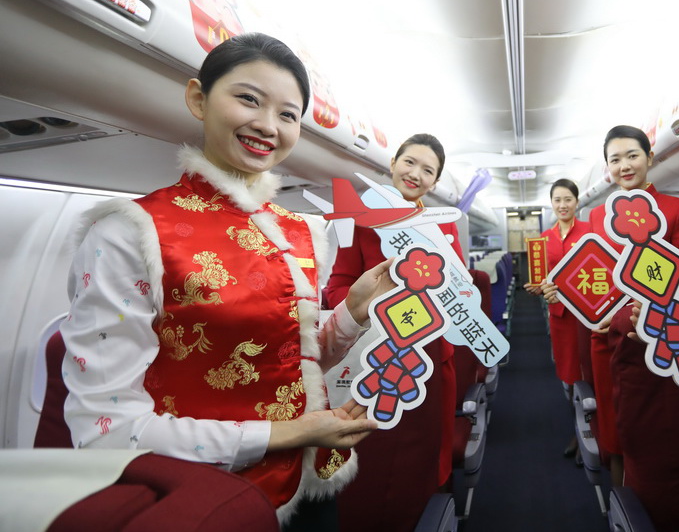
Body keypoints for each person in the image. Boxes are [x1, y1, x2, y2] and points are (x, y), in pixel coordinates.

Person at [60, 33, 396, 529]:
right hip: (208, 500)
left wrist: (354, 310)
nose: (268, 125)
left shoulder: (302, 232)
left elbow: (286, 360)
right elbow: (106, 430)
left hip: (311, 483)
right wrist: (288, 433)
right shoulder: (133, 231)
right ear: (199, 98)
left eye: (288, 115)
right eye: (249, 99)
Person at [548, 125, 679, 487]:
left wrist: (644, 308)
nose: (624, 166)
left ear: (649, 157)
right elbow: (593, 273)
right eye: (615, 159)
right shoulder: (598, 216)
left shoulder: (676, 209)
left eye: (632, 155)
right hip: (604, 335)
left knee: (651, 423)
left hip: (652, 335)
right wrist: (564, 291)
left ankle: (654, 493)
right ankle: (618, 495)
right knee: (613, 419)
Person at [324, 133, 463, 531]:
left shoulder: (441, 225)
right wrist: (370, 307)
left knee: (422, 460)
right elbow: (338, 285)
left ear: (435, 182)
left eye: (428, 170)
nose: (415, 174)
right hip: (373, 356)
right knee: (374, 458)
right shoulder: (361, 219)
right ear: (392, 163)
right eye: (409, 162)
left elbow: (456, 292)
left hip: (428, 358)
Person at [525, 178, 592, 460]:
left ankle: (592, 430)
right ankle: (580, 429)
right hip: (561, 316)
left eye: (568, 199)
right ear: (551, 204)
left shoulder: (590, 232)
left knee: (591, 372)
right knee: (570, 375)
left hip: (588, 314)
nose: (562, 205)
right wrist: (539, 288)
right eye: (557, 200)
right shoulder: (544, 239)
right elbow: (543, 278)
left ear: (577, 201)